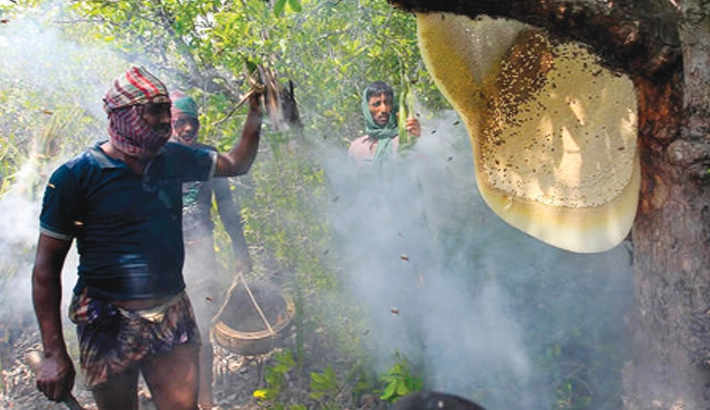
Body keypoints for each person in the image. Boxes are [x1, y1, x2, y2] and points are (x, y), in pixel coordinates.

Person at [31, 66, 263, 410]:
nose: (164, 120)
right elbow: (45, 271)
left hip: (172, 313)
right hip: (106, 320)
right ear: (124, 115)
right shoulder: (75, 177)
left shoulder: (173, 159)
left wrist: (257, 111)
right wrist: (53, 353)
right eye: (153, 110)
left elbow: (236, 163)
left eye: (164, 109)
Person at [170, 90, 253, 410]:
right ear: (169, 124)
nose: (188, 129)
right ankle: (175, 396)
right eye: (180, 122)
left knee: (201, 329)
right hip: (166, 259)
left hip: (201, 253)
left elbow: (228, 208)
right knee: (165, 332)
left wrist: (241, 251)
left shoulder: (207, 158)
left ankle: (205, 400)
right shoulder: (157, 159)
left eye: (192, 122)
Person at [348, 81, 421, 166]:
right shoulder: (356, 148)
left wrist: (418, 138)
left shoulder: (405, 140)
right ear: (366, 108)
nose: (384, 109)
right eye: (376, 104)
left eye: (388, 103)